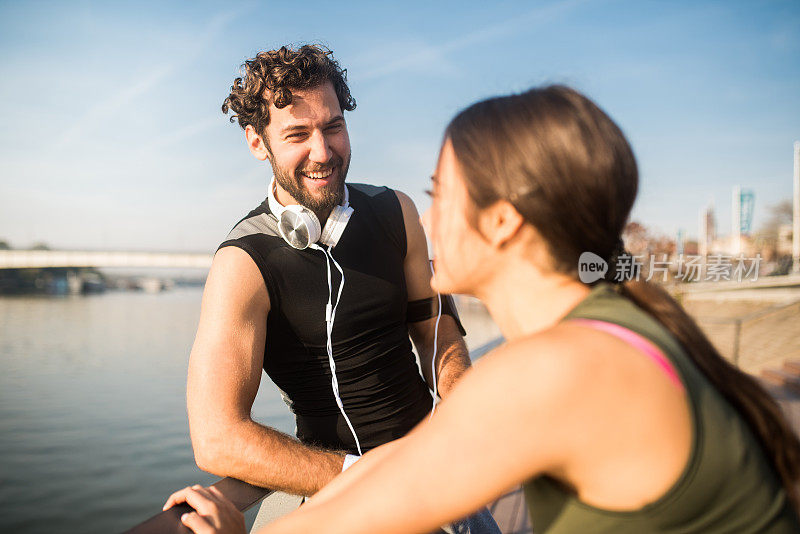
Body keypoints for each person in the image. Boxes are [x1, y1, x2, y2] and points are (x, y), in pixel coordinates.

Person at [166, 84, 800, 533]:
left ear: (500, 222)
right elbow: (402, 468)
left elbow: (391, 493)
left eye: (440, 193)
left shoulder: (549, 374)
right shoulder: (613, 325)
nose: (424, 215)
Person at [176, 44, 499, 533]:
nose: (323, 152)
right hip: (342, 501)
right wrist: (365, 475)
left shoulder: (398, 212)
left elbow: (436, 334)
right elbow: (217, 438)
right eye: (297, 134)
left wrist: (459, 413)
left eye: (333, 126)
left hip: (441, 477)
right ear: (257, 142)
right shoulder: (242, 264)